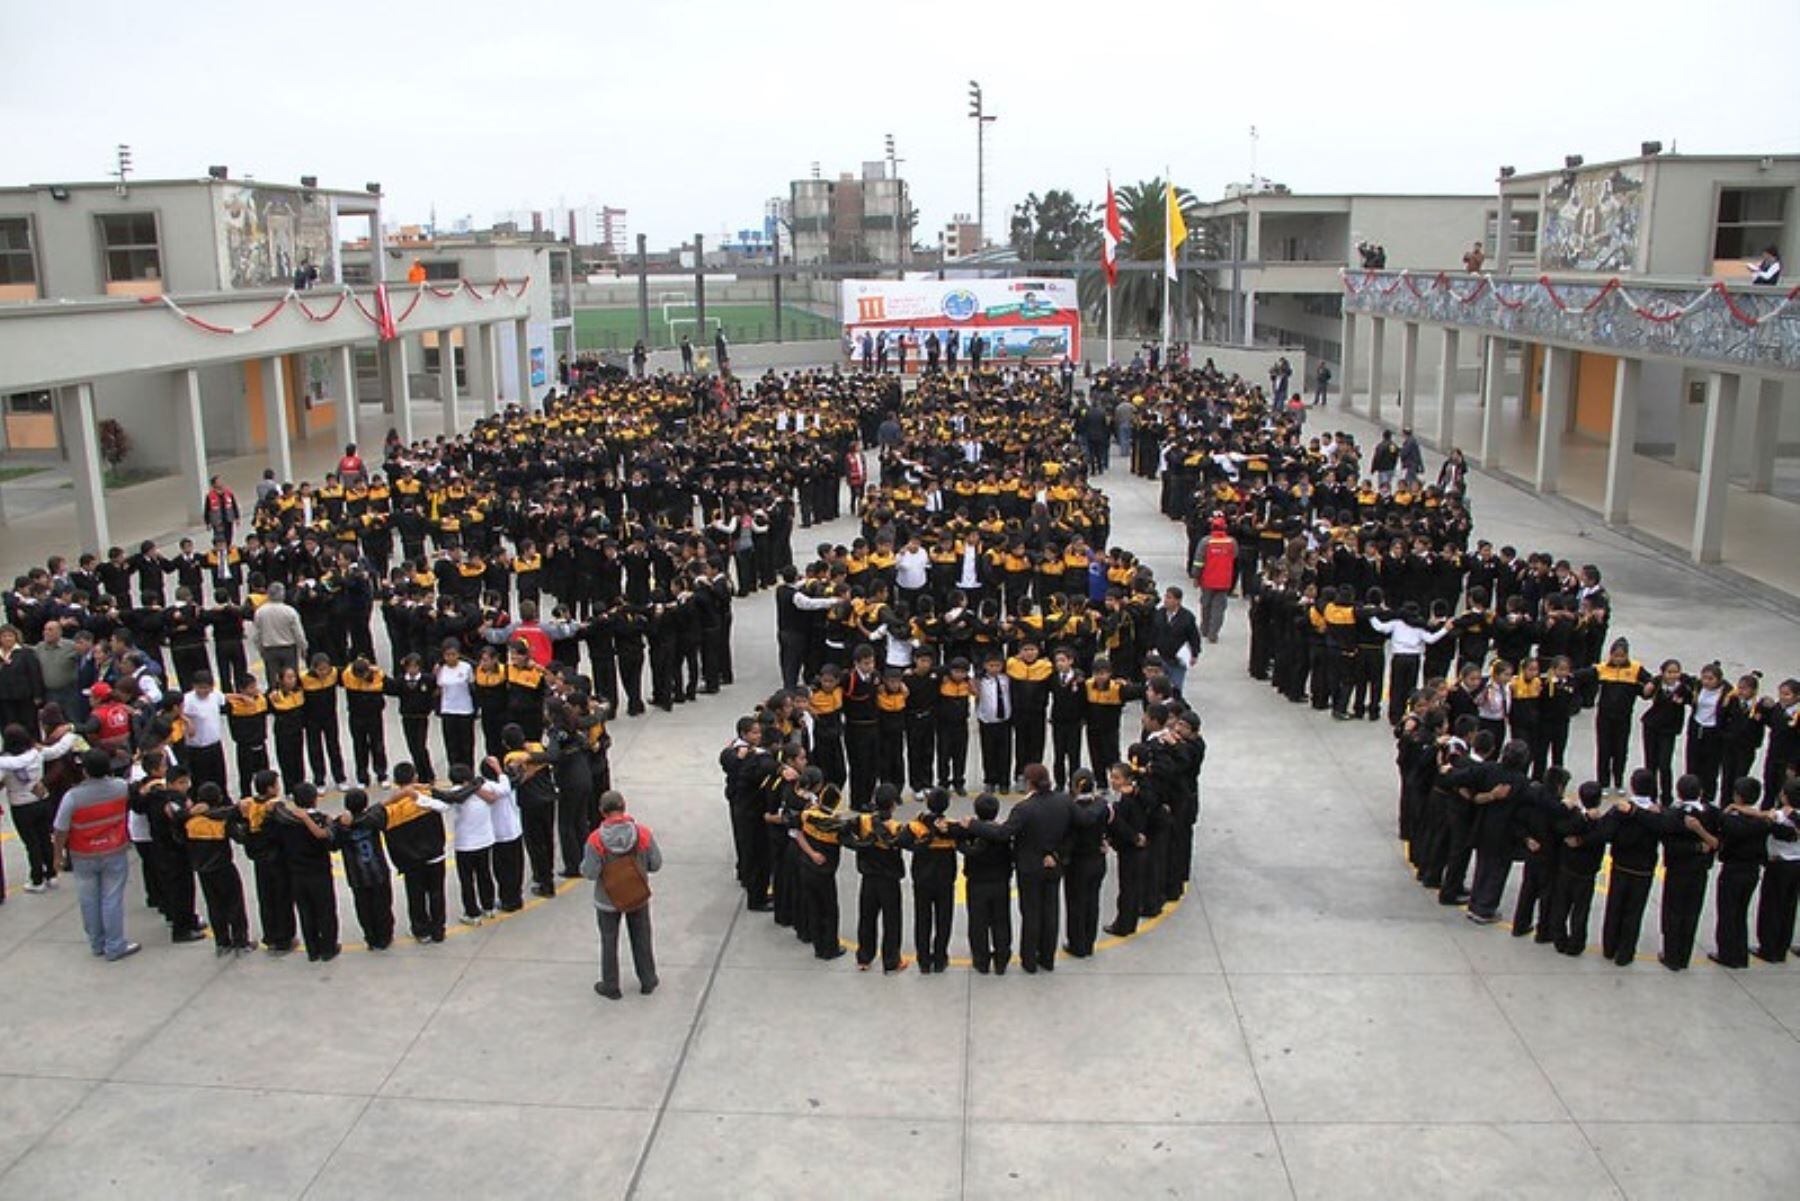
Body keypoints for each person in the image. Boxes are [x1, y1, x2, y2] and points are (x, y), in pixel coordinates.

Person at [963, 764, 1106, 974]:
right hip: (1054, 864)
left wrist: (973, 825)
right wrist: (1100, 802)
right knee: (1051, 911)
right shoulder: (1063, 801)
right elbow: (1085, 820)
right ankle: (1047, 957)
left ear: (1030, 783)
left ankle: (1029, 960)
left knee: (1031, 913)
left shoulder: (1024, 809)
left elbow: (1003, 833)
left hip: (1029, 867)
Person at [52, 749, 140, 961]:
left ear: (85, 771)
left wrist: (57, 856)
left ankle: (97, 943)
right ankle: (115, 944)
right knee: (112, 898)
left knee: (88, 899)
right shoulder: (120, 788)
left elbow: (60, 829)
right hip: (114, 850)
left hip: (83, 854)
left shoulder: (72, 797)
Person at [580, 789, 662, 999]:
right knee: (642, 936)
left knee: (609, 940)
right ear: (624, 806)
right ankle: (648, 979)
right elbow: (656, 864)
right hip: (637, 895)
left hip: (607, 900)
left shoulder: (595, 840)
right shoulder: (642, 833)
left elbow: (590, 873)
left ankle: (611, 985)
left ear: (601, 811)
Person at [1150, 587, 1202, 694]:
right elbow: (1153, 632)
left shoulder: (1187, 617)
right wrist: (1150, 648)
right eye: (1165, 597)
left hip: (1177, 659)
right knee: (1158, 688)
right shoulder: (1159, 614)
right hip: (1160, 657)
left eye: (1169, 598)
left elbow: (1194, 636)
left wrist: (1195, 654)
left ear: (1178, 601)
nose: (1166, 600)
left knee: (1176, 688)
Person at [251, 583, 306, 683]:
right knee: (291, 679)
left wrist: (260, 649)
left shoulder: (260, 612)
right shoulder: (290, 611)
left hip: (270, 649)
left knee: (273, 679)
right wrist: (303, 647)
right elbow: (298, 633)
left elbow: (256, 635)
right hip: (288, 649)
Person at [1194, 517, 1236, 644]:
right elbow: (1234, 556)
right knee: (1219, 608)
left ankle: (1204, 629)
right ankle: (1214, 633)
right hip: (1224, 581)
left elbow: (1198, 561)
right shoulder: (1231, 542)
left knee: (1206, 605)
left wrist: (1196, 576)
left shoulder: (1205, 542)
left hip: (1207, 580)